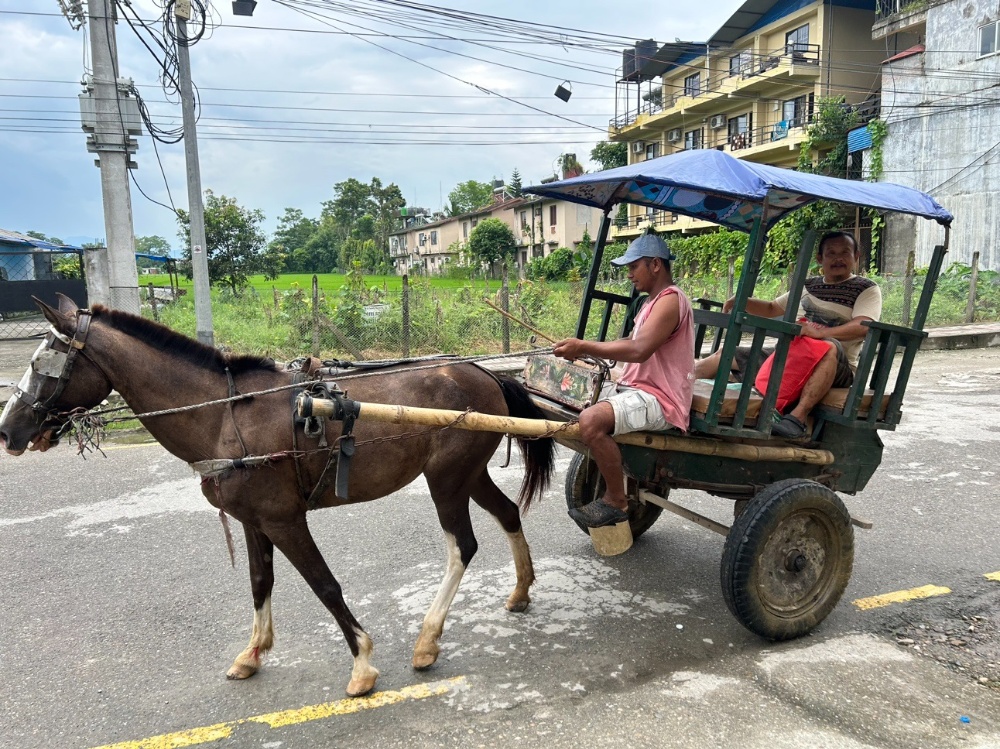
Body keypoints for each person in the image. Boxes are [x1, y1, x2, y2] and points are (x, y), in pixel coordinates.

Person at [553, 234, 694, 528]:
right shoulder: (649, 303)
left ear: (655, 264)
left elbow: (639, 350)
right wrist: (588, 355)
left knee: (591, 421)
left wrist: (584, 345)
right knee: (569, 391)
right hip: (638, 388)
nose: (628, 274)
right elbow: (631, 341)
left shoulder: (671, 301)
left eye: (634, 266)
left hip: (661, 399)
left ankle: (616, 499)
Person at [693, 231, 882, 438]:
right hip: (791, 356)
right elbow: (772, 308)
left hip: (837, 365)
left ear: (856, 256)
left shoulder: (866, 288)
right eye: (831, 253)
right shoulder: (808, 285)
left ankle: (797, 419)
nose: (838, 258)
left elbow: (864, 325)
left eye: (845, 253)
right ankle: (674, 384)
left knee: (826, 347)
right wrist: (743, 301)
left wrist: (821, 333)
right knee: (726, 354)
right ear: (820, 259)